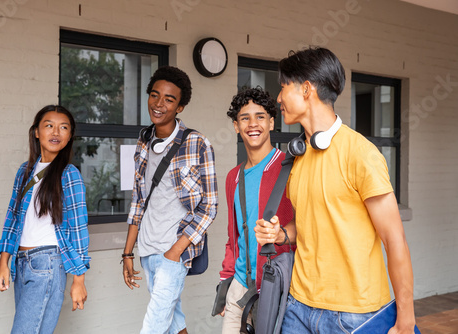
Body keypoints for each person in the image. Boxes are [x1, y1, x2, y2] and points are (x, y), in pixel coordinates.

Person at [255, 47, 416, 333]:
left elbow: (395, 240)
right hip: (298, 305)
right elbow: (307, 224)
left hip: (352, 314)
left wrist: (405, 320)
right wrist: (281, 234)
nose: (278, 98)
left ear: (306, 89)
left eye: (283, 88)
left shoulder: (361, 154)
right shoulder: (296, 158)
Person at [122, 66, 218, 334]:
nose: (159, 104)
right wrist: (128, 252)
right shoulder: (143, 141)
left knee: (153, 326)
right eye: (155, 95)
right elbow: (138, 202)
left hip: (174, 251)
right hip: (147, 249)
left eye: (169, 99)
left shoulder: (197, 143)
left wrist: (176, 250)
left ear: (180, 107)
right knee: (175, 323)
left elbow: (209, 206)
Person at [0, 105, 90, 333]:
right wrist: (3, 263)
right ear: (37, 132)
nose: (56, 132)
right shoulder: (24, 171)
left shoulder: (69, 174)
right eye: (49, 125)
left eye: (63, 127)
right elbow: (13, 218)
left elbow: (78, 228)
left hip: (47, 263)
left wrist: (79, 279)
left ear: (69, 137)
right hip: (21, 262)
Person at [217, 87, 294, 333]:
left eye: (260, 116)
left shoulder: (291, 169)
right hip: (239, 288)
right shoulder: (233, 177)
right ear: (236, 125)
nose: (253, 124)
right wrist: (225, 285)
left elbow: (308, 228)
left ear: (272, 123)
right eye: (245, 118)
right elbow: (234, 238)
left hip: (278, 287)